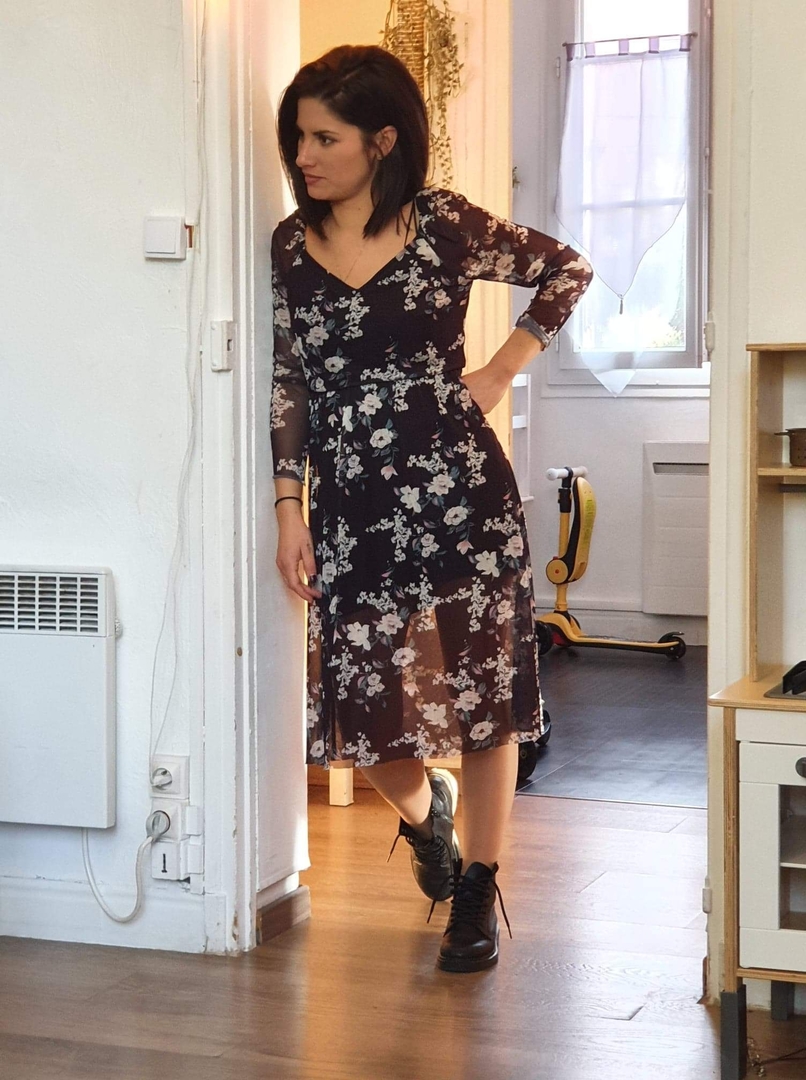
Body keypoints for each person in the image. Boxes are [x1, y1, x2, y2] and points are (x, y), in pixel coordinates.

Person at [270, 44, 592, 973]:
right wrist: (290, 507)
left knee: (487, 701)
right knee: (364, 710)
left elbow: (567, 270)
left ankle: (478, 891)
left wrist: (500, 368)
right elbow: (291, 382)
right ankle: (427, 819)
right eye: (298, 138)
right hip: (353, 505)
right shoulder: (290, 248)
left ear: (381, 140)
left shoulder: (444, 223)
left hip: (463, 497)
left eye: (323, 138)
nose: (304, 156)